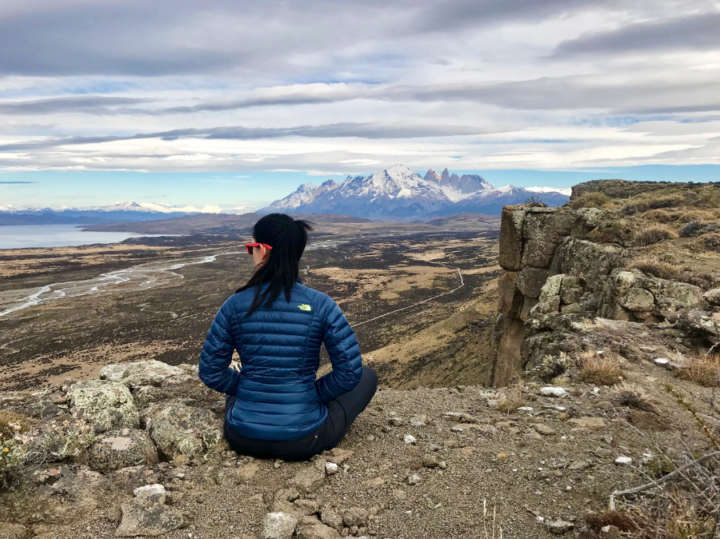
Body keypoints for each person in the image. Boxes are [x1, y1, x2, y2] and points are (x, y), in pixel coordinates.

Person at [198, 213, 377, 460]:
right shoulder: (321, 305)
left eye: (252, 248)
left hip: (243, 437)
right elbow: (350, 372)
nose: (251, 253)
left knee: (240, 377)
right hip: (303, 439)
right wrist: (313, 394)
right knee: (368, 376)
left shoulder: (234, 305)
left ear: (263, 250)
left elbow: (211, 371)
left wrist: (250, 387)